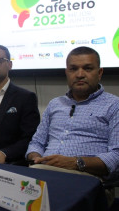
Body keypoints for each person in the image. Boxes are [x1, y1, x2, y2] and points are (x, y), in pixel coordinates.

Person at [26, 46, 119, 178]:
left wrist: (76, 163)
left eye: (87, 68)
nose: (80, 74)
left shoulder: (114, 105)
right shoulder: (55, 104)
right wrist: (36, 157)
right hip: (43, 172)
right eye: (73, 69)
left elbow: (116, 155)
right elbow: (36, 143)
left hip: (86, 178)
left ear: (99, 73)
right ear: (67, 73)